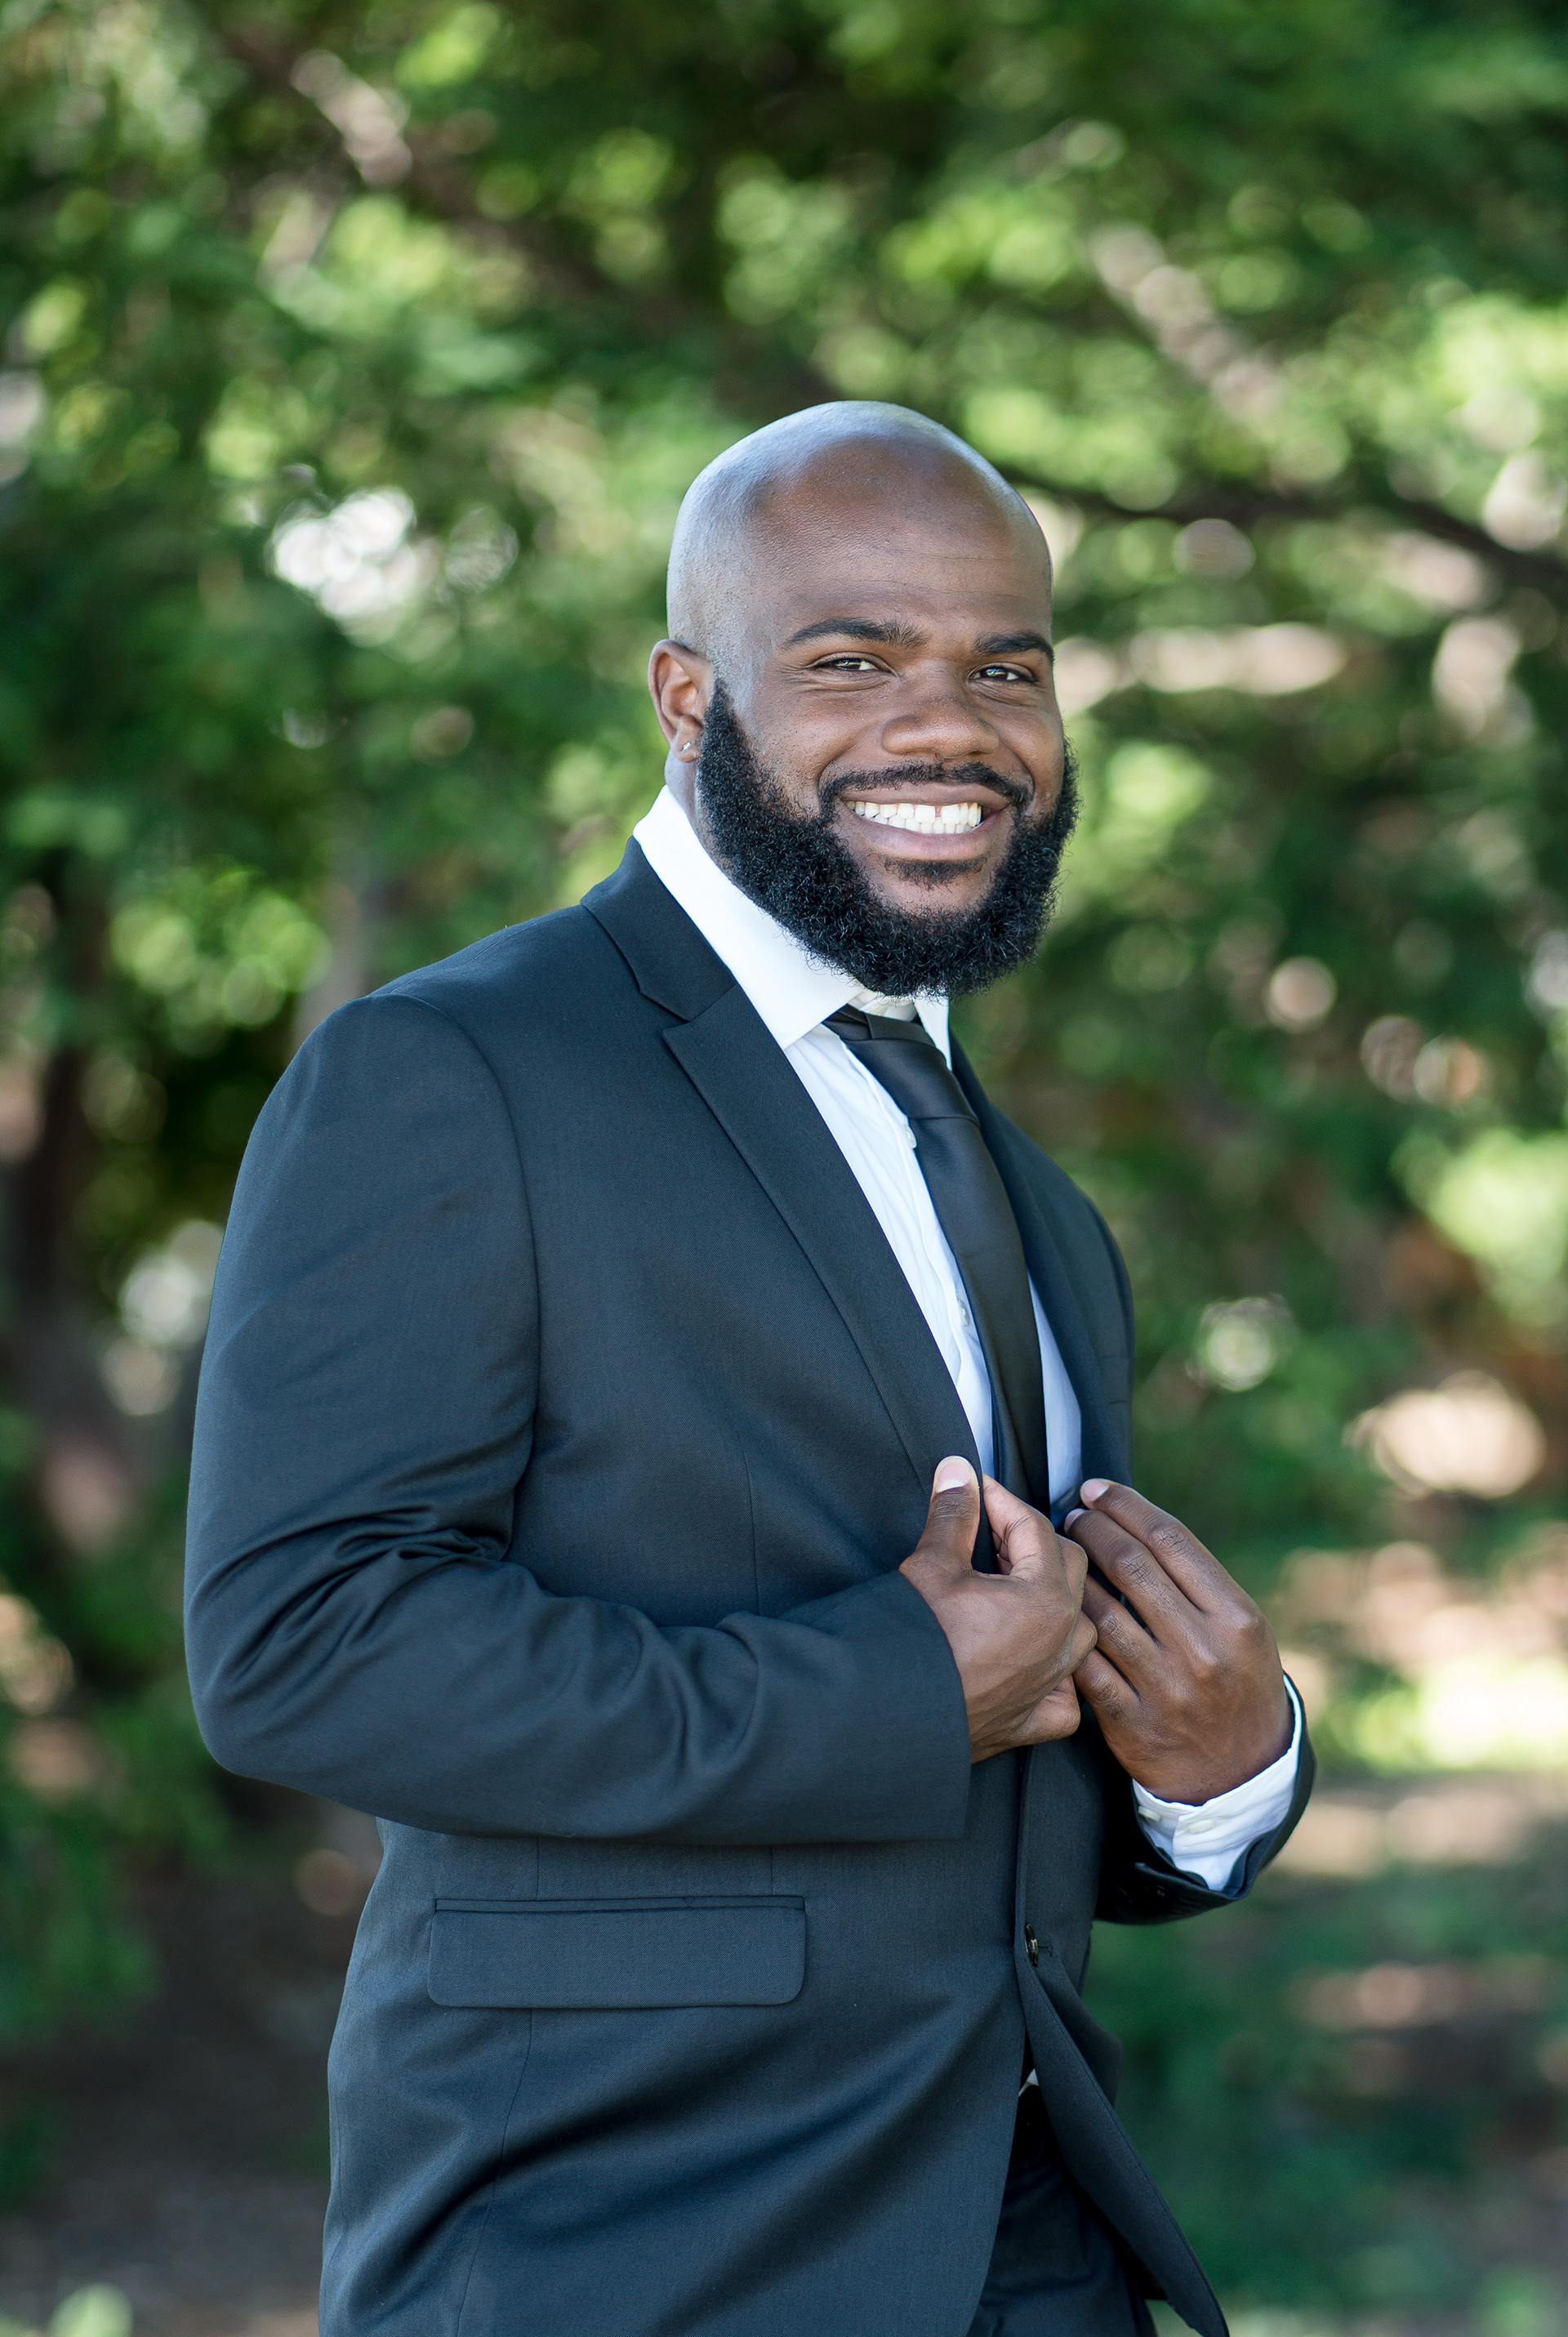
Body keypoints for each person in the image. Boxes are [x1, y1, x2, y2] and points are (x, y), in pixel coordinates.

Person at [185, 400, 1312, 2337]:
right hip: (629, 2246)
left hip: (1036, 2246)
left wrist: (1221, 1772)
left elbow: (1016, 1766)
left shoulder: (1035, 1200)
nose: (949, 727)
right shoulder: (456, 1073)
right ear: (687, 697)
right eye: (853, 660)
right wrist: (894, 1689)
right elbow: (299, 1642)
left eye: (1007, 668)